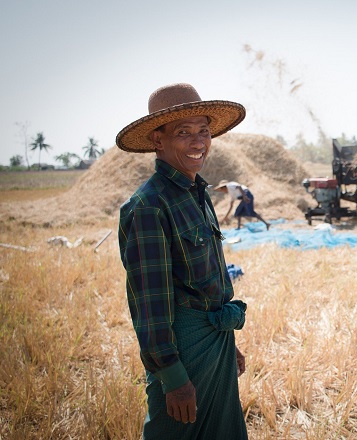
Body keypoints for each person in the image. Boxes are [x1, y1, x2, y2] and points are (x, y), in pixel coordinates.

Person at [116, 83, 249, 439]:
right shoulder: (148, 206)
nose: (198, 142)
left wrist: (228, 343)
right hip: (183, 351)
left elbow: (207, 280)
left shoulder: (197, 194)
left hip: (214, 340)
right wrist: (174, 380)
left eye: (203, 131)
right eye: (183, 132)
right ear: (158, 140)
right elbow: (150, 304)